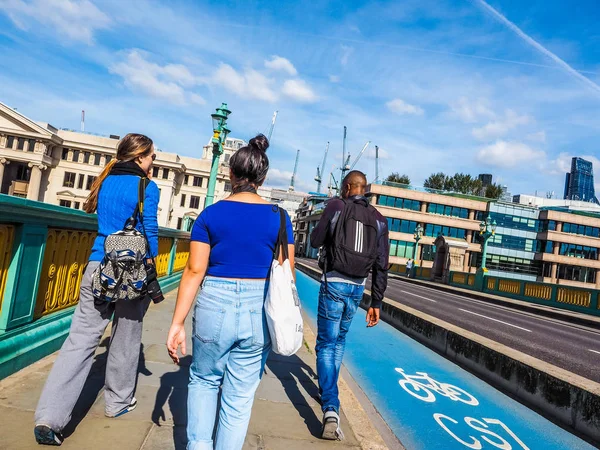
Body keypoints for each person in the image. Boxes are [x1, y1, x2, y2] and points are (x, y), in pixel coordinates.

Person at [166, 134, 295, 450]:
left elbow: (195, 270)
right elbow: (286, 271)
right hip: (257, 307)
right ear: (262, 179)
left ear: (230, 174)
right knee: (239, 397)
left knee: (203, 380)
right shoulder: (279, 217)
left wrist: (177, 322)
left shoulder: (211, 214)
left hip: (214, 302)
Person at [34, 133, 159, 446]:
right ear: (141, 156)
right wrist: (149, 272)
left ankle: (50, 417)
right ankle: (118, 401)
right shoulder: (147, 187)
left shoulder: (104, 181)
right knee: (127, 338)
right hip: (130, 271)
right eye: (152, 156)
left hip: (96, 267)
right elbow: (151, 234)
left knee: (80, 340)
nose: (153, 161)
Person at [310, 170, 389, 440]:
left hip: (333, 282)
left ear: (346, 188)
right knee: (339, 341)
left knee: (325, 343)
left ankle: (330, 406)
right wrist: (376, 301)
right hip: (357, 288)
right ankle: (328, 388)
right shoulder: (379, 219)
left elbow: (315, 240)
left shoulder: (336, 206)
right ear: (363, 189)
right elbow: (382, 265)